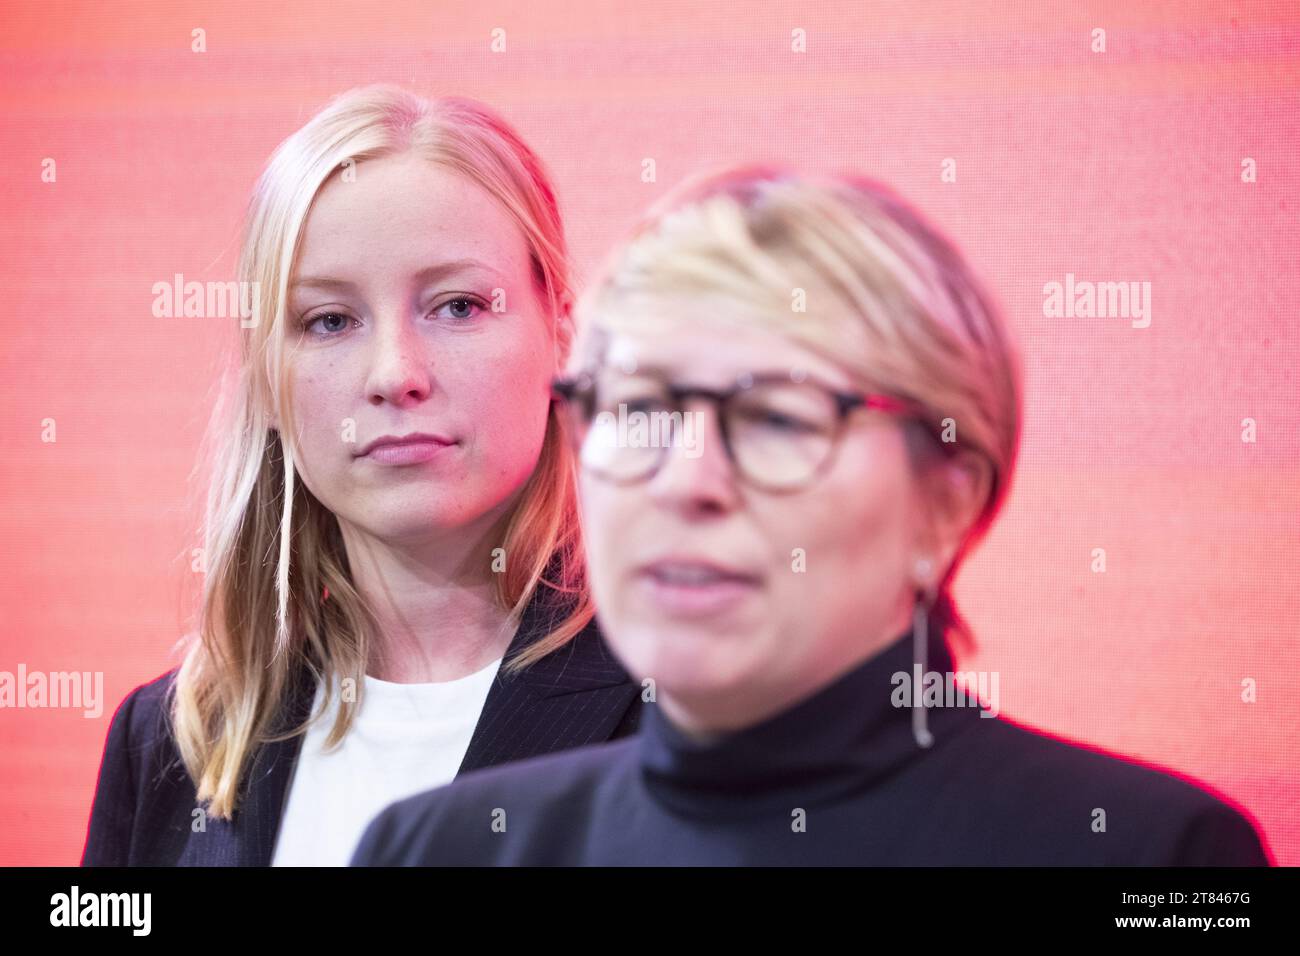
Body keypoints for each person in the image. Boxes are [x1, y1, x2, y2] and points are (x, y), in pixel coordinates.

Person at [351, 165, 1271, 865]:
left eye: (780, 419)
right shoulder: (440, 848)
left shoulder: (1159, 857)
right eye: (639, 412)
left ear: (945, 502)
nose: (687, 481)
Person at [80, 85, 640, 867]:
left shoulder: (698, 710)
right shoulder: (168, 740)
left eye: (457, 306)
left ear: (561, 336)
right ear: (266, 382)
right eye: (329, 321)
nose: (396, 374)